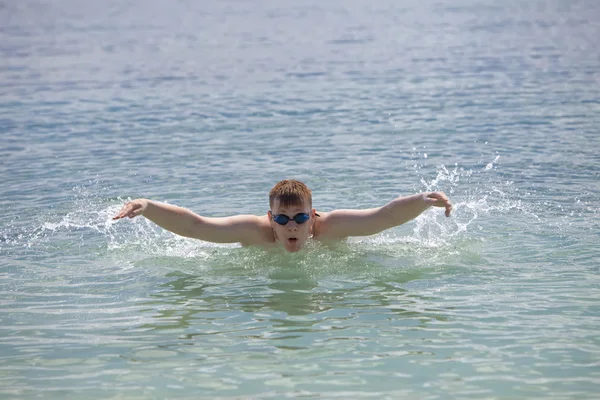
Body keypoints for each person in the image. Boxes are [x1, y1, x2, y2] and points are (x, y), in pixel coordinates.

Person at [113, 179, 452, 253]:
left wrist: (423, 199)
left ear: (313, 215)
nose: (292, 226)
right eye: (283, 219)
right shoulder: (253, 231)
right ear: (270, 217)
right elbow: (196, 225)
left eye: (301, 219)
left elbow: (383, 217)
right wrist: (149, 206)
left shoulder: (330, 227)